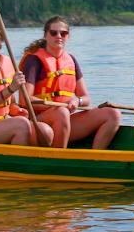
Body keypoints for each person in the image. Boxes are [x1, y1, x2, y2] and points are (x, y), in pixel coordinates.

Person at [19, 16, 121, 149]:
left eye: (63, 33)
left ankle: (94, 159)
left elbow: (85, 98)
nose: (59, 36)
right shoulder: (34, 61)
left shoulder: (71, 60)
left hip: (64, 120)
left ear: (68, 36)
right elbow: (24, 100)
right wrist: (59, 106)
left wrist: (76, 102)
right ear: (46, 35)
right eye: (53, 33)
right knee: (61, 112)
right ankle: (59, 158)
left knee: (113, 114)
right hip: (39, 122)